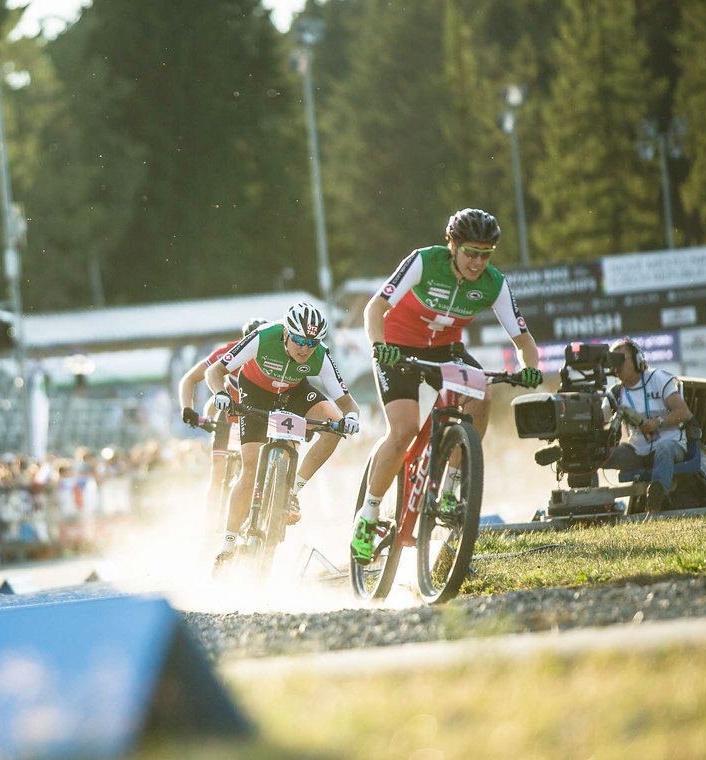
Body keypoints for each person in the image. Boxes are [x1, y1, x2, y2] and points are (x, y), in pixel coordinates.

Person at [357, 208, 542, 562]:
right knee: (404, 430)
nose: (477, 262)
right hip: (398, 348)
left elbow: (524, 340)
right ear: (452, 246)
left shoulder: (494, 283)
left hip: (446, 351)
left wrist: (529, 368)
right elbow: (374, 308)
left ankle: (451, 487)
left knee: (481, 396)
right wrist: (380, 347)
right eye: (471, 252)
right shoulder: (425, 262)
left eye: (485, 254)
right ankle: (368, 515)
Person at [205, 302, 361, 570]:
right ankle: (227, 545)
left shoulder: (319, 354)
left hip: (293, 392)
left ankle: (291, 490)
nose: (304, 348)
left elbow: (347, 403)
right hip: (256, 391)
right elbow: (214, 371)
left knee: (334, 424)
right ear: (286, 333)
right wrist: (220, 393)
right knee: (251, 468)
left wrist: (352, 419)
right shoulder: (264, 336)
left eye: (312, 342)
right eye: (299, 340)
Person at [178, 317, 267, 533]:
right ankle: (210, 529)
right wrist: (187, 409)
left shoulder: (275, 359)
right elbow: (189, 379)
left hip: (258, 419)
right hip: (229, 419)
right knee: (218, 474)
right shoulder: (229, 352)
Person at [603, 338, 693, 511]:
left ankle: (657, 496)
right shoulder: (615, 392)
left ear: (637, 360)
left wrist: (657, 422)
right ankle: (586, 501)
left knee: (664, 449)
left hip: (671, 445)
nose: (617, 365)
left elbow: (683, 412)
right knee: (602, 453)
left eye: (621, 359)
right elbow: (600, 420)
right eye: (613, 360)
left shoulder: (658, 378)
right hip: (637, 451)